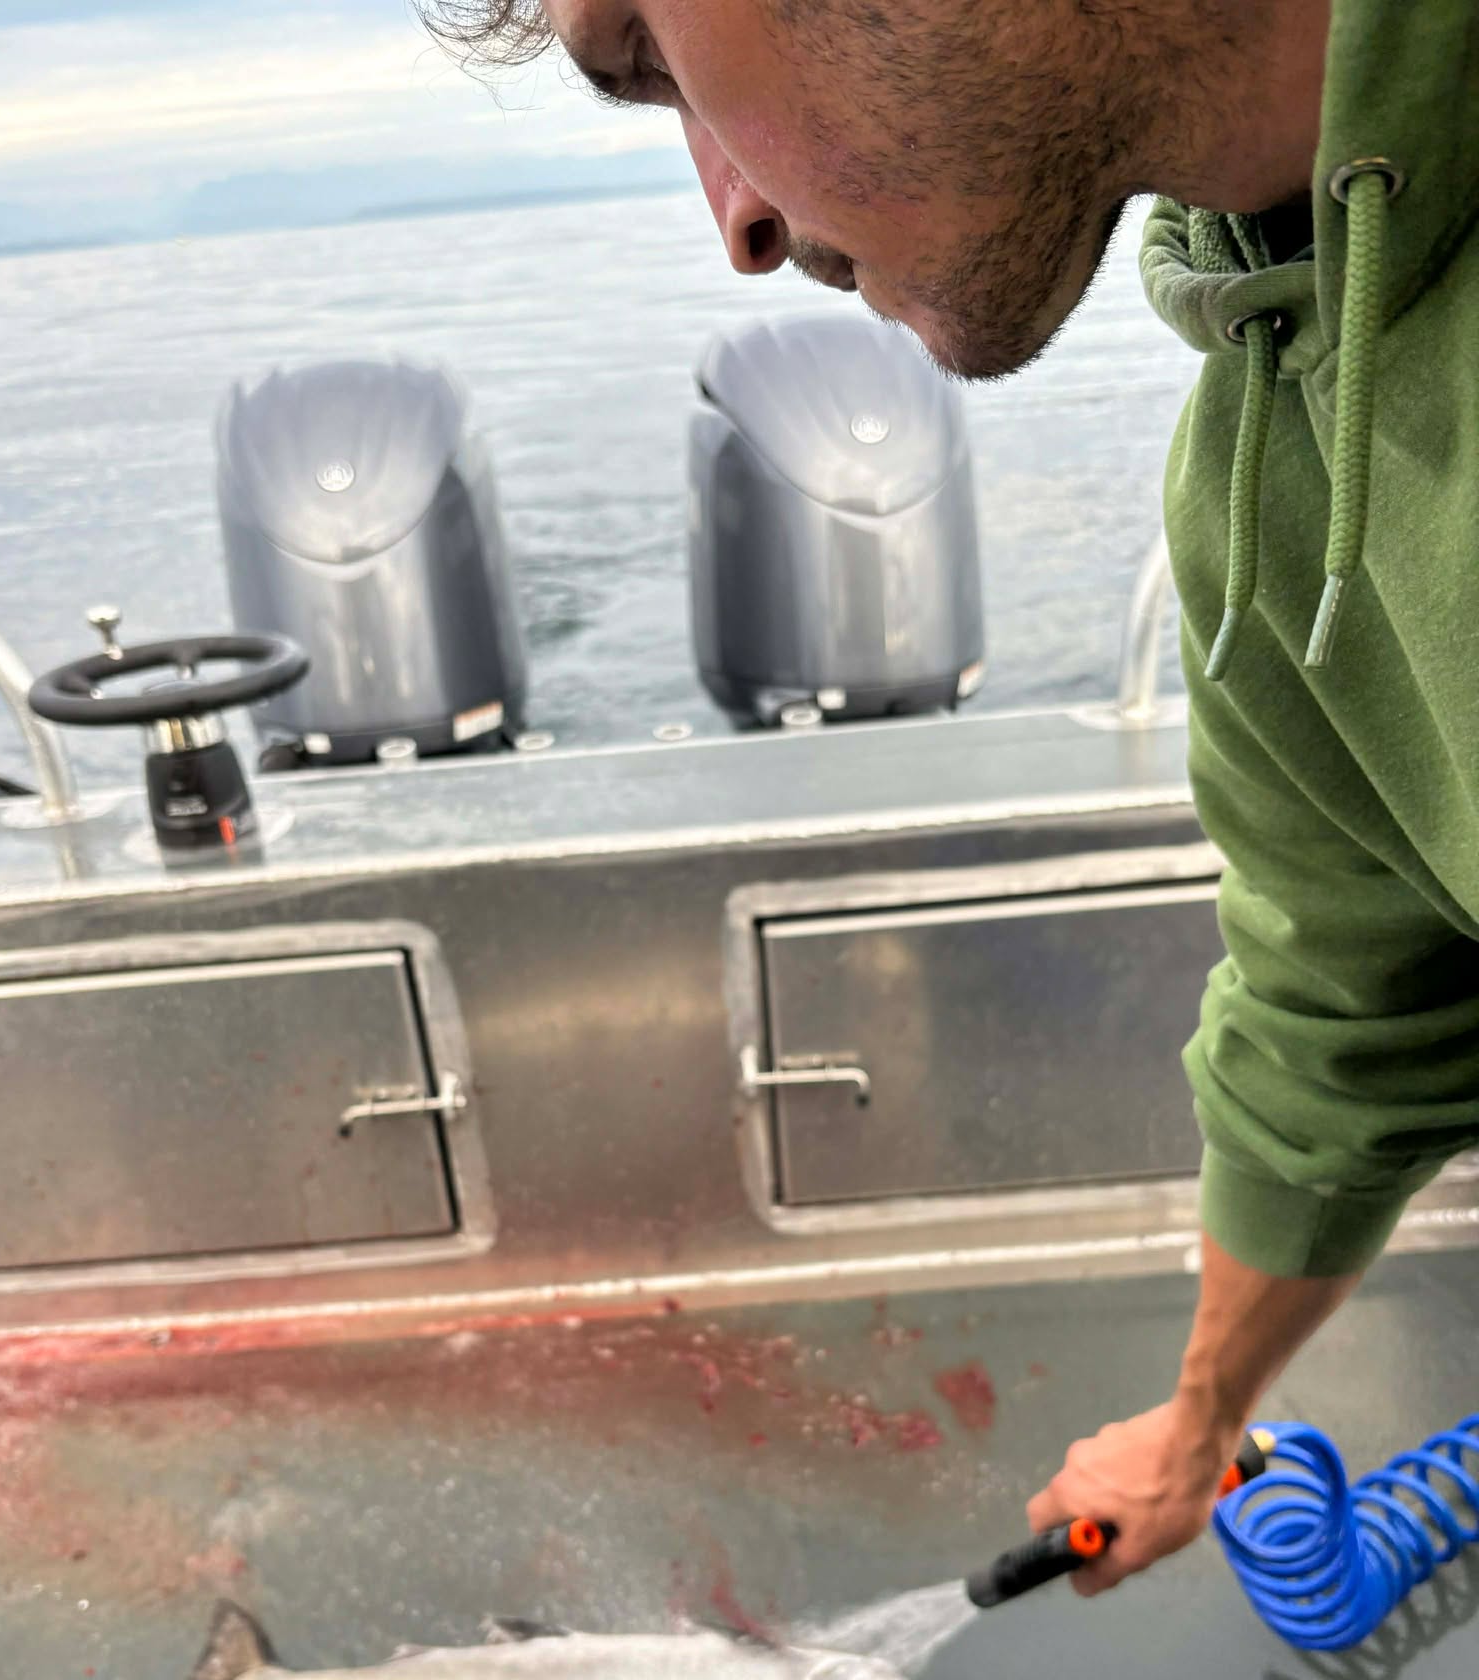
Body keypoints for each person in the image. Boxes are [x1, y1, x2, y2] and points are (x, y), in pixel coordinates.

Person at [423, 1, 1479, 1590]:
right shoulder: (1264, 491)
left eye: (650, 56)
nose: (740, 222)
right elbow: (1347, 1015)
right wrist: (1199, 1427)